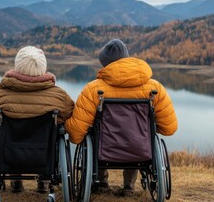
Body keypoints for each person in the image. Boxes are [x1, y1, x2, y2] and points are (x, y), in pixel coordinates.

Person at [65, 38, 178, 195]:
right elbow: (170, 128)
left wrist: (71, 133)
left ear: (105, 63)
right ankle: (129, 187)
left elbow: (76, 133)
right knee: (137, 135)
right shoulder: (155, 88)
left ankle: (102, 183)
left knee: (96, 133)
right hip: (139, 149)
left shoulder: (93, 90)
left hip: (104, 149)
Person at [0, 46, 74, 193]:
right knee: (53, 134)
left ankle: (15, 180)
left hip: (9, 154)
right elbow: (71, 117)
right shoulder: (59, 96)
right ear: (43, 67)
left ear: (18, 66)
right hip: (43, 155)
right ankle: (44, 181)